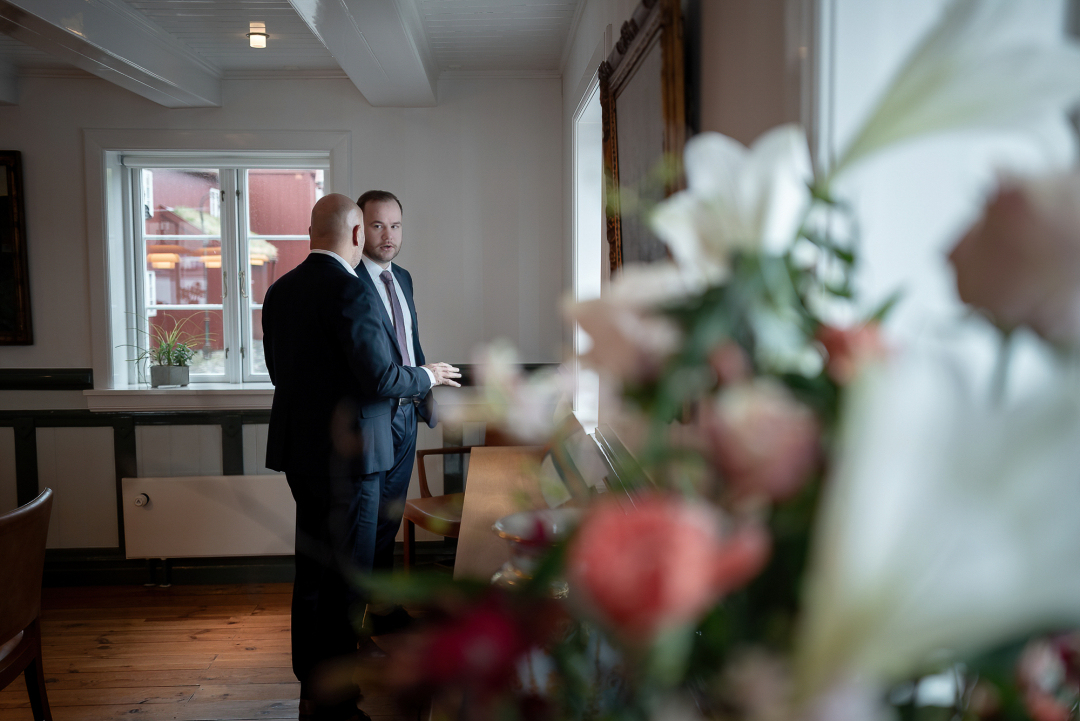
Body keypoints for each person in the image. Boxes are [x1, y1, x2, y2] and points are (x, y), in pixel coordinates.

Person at [262, 193, 459, 721]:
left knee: (314, 571)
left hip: (301, 453)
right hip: (353, 457)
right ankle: (335, 698)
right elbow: (381, 378)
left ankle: (311, 681)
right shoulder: (351, 289)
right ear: (355, 234)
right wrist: (428, 375)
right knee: (345, 580)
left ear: (310, 232)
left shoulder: (279, 289)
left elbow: (280, 372)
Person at [353, 190, 443, 635]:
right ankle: (354, 616)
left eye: (395, 225)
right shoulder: (349, 281)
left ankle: (383, 608)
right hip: (372, 417)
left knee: (388, 519)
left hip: (407, 414)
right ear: (359, 229)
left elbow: (410, 341)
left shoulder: (402, 277)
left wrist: (425, 391)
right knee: (364, 522)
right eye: (377, 225)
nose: (388, 235)